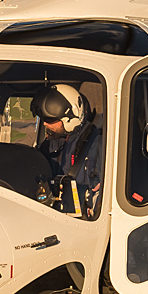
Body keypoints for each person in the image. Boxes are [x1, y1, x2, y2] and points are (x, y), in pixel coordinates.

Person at [32, 84, 103, 218]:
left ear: (70, 118)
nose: (45, 124)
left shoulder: (96, 146)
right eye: (43, 118)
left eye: (50, 119)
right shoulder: (48, 145)